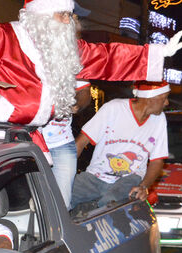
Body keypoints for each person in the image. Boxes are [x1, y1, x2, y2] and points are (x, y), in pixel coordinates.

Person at [0, 0, 182, 128]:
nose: (68, 22)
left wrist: (160, 52)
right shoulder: (3, 37)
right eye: (62, 15)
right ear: (41, 16)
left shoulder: (65, 48)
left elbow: (108, 58)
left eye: (69, 16)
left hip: (32, 135)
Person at [70, 81, 170, 214]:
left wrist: (143, 186)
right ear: (151, 98)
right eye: (164, 98)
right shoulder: (114, 109)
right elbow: (81, 142)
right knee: (61, 198)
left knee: (109, 205)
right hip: (95, 177)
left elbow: (157, 160)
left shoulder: (159, 120)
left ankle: (94, 212)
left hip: (129, 180)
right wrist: (64, 176)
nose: (167, 103)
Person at [38, 3, 93, 208]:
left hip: (62, 141)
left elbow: (85, 92)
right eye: (75, 18)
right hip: (33, 140)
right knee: (33, 200)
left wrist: (76, 104)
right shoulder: (35, 47)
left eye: (77, 19)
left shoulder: (75, 54)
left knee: (62, 205)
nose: (78, 23)